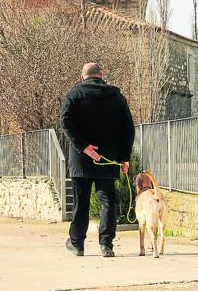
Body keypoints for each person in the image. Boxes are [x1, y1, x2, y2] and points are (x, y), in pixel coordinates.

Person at [60, 63, 136, 257]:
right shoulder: (116, 97)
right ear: (101, 75)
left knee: (81, 202)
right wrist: (124, 157)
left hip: (81, 158)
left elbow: (65, 121)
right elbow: (128, 128)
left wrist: (84, 146)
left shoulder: (74, 94)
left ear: (82, 77)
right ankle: (106, 244)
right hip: (108, 158)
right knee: (108, 201)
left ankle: (77, 244)